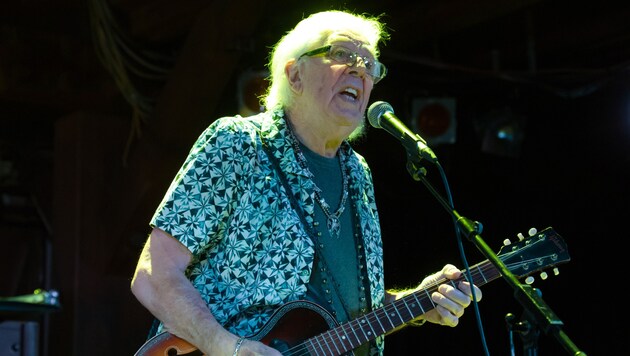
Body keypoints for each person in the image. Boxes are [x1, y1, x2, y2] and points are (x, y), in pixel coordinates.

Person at [130, 9, 482, 356]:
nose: (359, 69)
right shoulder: (238, 143)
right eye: (341, 54)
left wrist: (421, 302)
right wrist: (230, 348)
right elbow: (153, 274)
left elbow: (342, 317)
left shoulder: (358, 174)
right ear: (294, 74)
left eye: (370, 64)